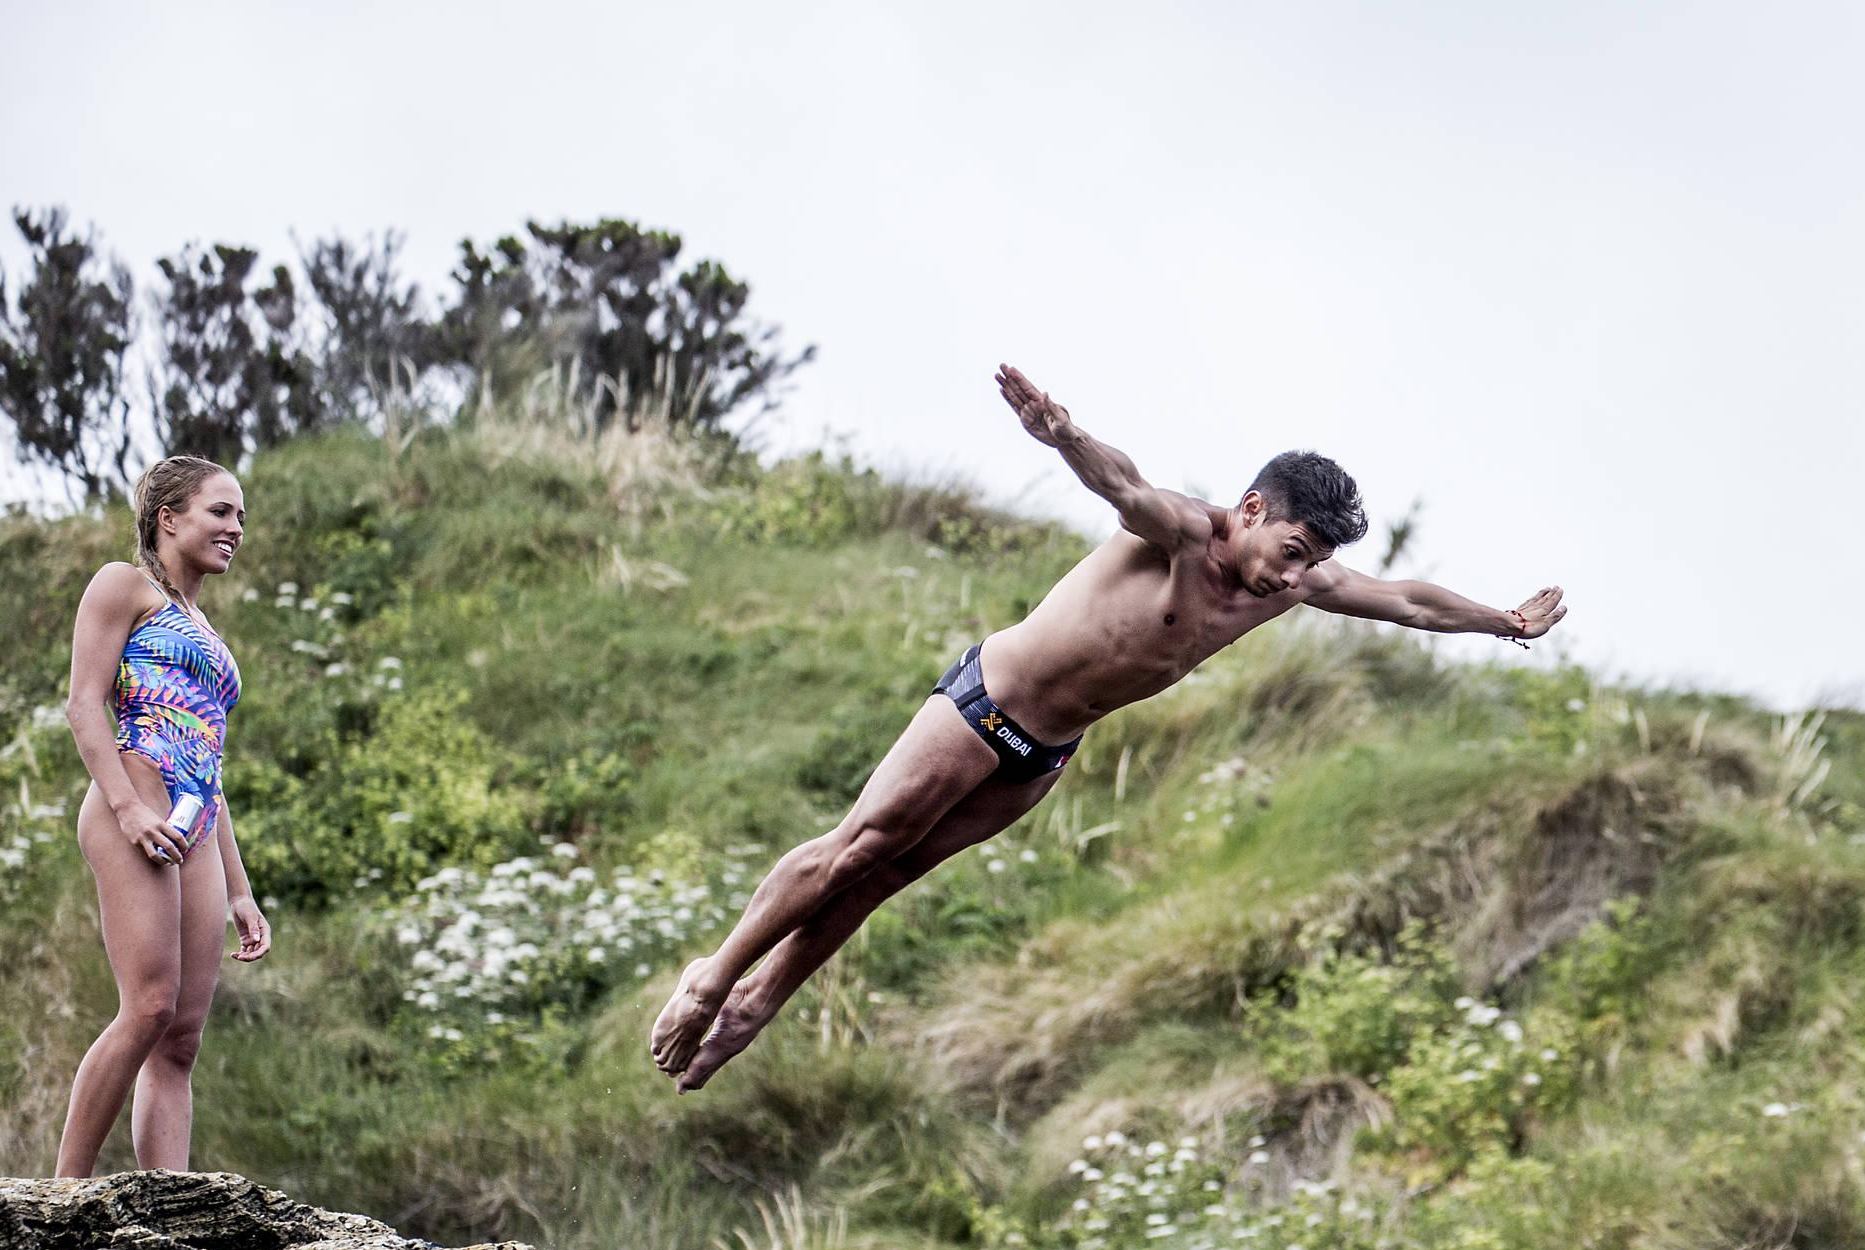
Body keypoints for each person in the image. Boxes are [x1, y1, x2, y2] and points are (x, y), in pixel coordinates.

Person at [649, 366, 1569, 1089]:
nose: (1297, 577)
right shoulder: (1184, 534)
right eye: (1293, 552)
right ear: (1252, 512)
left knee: (885, 877)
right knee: (857, 847)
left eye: (1313, 563)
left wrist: (1501, 621)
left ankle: (756, 1004)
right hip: (984, 707)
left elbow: (1408, 600)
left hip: (1042, 756)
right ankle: (713, 978)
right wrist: (1063, 434)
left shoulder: (1294, 584)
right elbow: (1123, 486)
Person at [53, 454, 272, 1177]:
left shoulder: (203, 625)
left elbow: (210, 765)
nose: (235, 527)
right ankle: (58, 1198)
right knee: (147, 1006)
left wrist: (239, 889)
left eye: (241, 516)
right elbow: (83, 704)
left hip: (196, 820)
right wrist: (126, 809)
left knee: (180, 1038)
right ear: (168, 518)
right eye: (221, 511)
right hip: (137, 799)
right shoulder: (123, 585)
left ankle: (170, 1204)